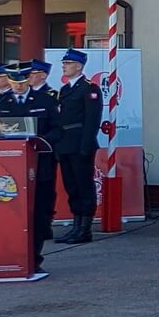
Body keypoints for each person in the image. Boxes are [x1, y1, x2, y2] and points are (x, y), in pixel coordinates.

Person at [52, 48, 102, 244]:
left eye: (68, 63)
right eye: (64, 63)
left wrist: (85, 146)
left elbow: (92, 120)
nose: (64, 66)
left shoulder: (89, 89)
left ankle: (85, 229)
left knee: (83, 186)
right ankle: (75, 226)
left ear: (79, 66)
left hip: (80, 144)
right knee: (71, 187)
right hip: (65, 145)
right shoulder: (65, 90)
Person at [16, 59, 59, 268]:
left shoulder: (47, 100)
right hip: (10, 167)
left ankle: (33, 259)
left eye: (27, 76)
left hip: (38, 165)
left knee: (38, 212)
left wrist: (40, 141)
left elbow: (57, 130)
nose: (21, 82)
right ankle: (7, 255)